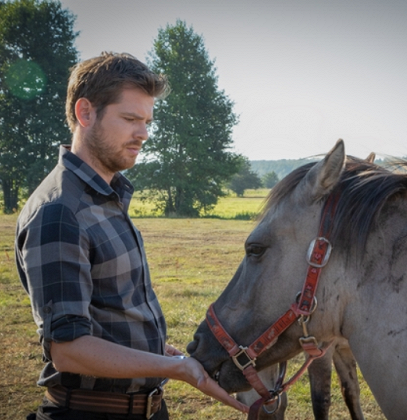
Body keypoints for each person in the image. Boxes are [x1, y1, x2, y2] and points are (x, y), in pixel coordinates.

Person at [15, 52, 248, 420]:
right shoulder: (61, 212)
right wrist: (175, 369)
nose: (143, 134)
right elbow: (69, 349)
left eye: (147, 121)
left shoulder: (106, 199)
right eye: (130, 119)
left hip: (147, 409)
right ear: (85, 113)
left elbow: (109, 314)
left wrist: (160, 354)